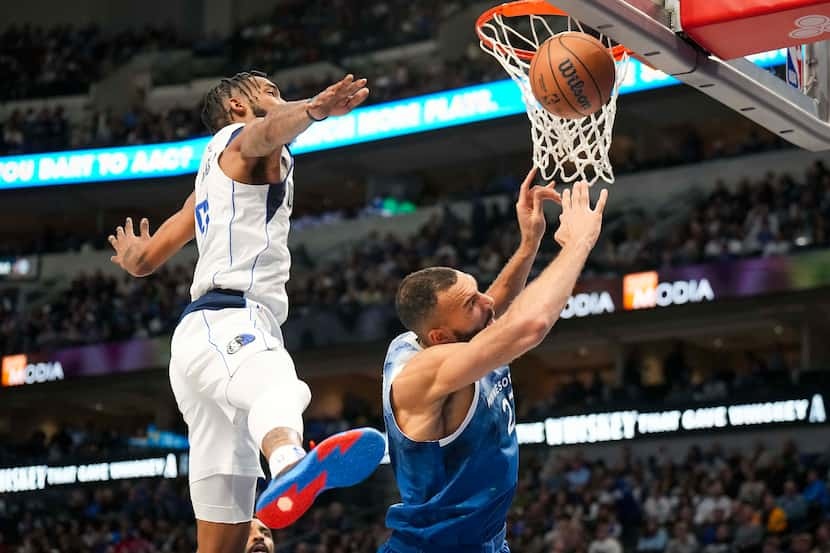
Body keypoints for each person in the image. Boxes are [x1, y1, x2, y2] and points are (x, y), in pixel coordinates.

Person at [107, 71, 385, 551]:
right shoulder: (237, 139)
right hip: (231, 320)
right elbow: (265, 133)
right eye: (269, 91)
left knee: (222, 540)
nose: (281, 96)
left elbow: (150, 258)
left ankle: (280, 466)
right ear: (238, 106)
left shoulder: (211, 175)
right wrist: (314, 110)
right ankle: (289, 462)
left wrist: (137, 259)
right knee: (278, 384)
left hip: (203, 345)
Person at [379, 175, 608, 552]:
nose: (488, 304)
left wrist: (529, 243)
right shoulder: (424, 373)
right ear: (439, 337)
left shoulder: (443, 335)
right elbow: (529, 325)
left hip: (485, 542)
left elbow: (492, 304)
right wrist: (578, 244)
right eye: (471, 304)